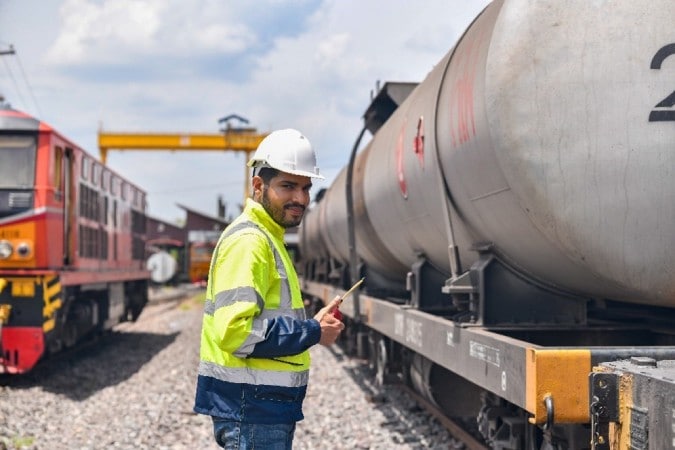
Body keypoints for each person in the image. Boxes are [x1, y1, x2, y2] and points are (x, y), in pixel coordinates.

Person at [194, 128, 345, 449]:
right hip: (252, 409)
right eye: (288, 186)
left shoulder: (267, 238)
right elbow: (236, 332)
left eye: (305, 188)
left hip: (260, 406)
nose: (301, 199)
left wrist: (311, 324)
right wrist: (312, 332)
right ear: (258, 186)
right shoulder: (251, 242)